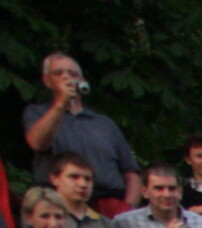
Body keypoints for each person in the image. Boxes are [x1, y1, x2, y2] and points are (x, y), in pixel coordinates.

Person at [24, 53, 139, 210]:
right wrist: (61, 103)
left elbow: (131, 173)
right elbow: (37, 143)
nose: (66, 77)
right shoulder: (37, 113)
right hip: (58, 205)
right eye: (58, 73)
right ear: (47, 81)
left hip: (108, 204)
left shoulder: (104, 123)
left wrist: (128, 209)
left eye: (72, 74)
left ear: (82, 80)